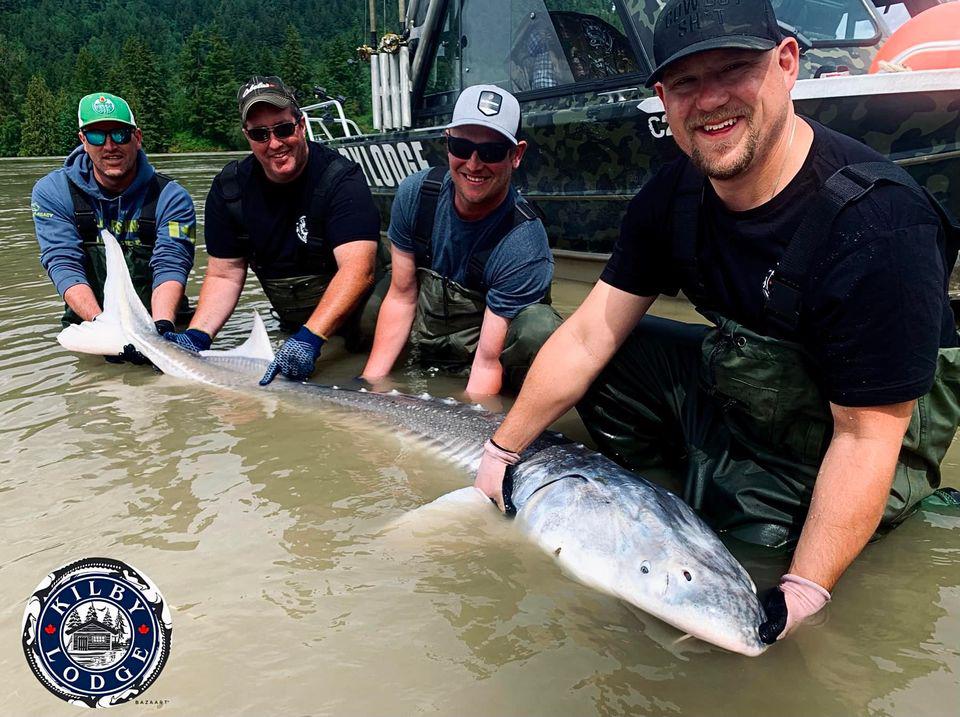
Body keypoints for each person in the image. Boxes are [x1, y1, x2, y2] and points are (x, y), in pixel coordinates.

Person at [473, 0, 960, 644]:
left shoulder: (878, 223)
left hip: (870, 424)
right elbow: (590, 334)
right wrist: (500, 452)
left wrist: (805, 588)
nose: (709, 101)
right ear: (662, 99)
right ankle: (684, 479)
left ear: (786, 64)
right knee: (541, 336)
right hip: (754, 377)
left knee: (753, 548)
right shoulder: (672, 193)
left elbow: (867, 438)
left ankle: (747, 499)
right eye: (685, 82)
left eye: (734, 69)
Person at [164, 76, 384, 385]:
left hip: (358, 310)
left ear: (301, 125)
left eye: (283, 129)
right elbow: (225, 275)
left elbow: (358, 270)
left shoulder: (340, 178)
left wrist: (310, 338)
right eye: (260, 134)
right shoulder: (230, 190)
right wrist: (198, 335)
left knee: (369, 337)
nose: (275, 144)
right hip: (296, 315)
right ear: (247, 136)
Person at [361, 85, 562, 395]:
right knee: (370, 302)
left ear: (516, 155)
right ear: (447, 143)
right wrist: (370, 389)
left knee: (538, 329)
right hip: (430, 331)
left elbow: (487, 364)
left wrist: (473, 414)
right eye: (462, 146)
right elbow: (401, 297)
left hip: (485, 355)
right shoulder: (415, 194)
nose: (473, 164)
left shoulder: (523, 244)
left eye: (492, 152)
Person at [32, 92, 196, 358]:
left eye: (120, 135)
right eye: (97, 136)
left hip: (164, 327)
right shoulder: (53, 192)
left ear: (137, 138)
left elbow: (171, 263)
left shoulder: (172, 197)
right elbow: (63, 263)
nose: (110, 146)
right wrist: (103, 327)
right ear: (83, 141)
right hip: (94, 328)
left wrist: (161, 331)